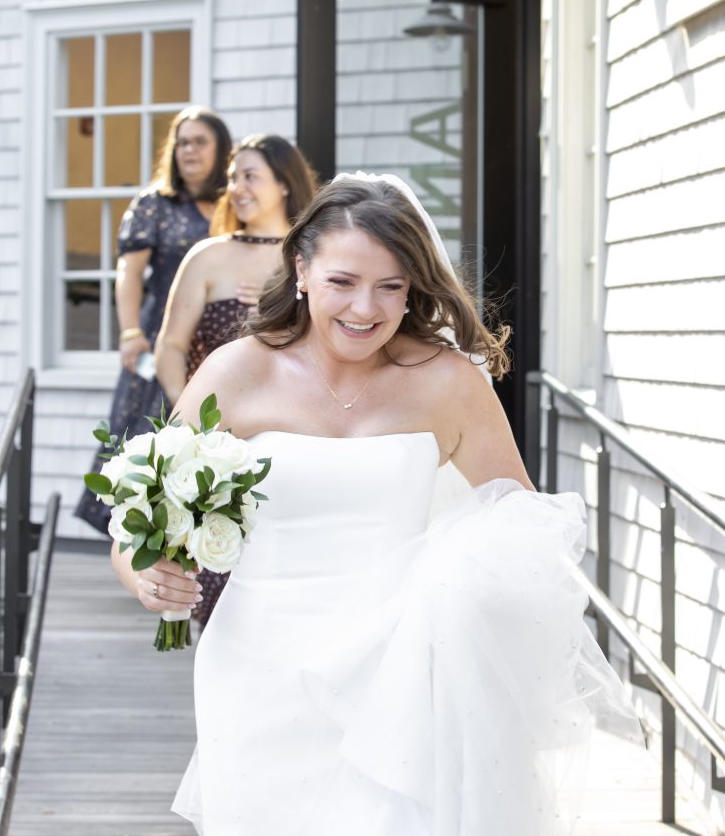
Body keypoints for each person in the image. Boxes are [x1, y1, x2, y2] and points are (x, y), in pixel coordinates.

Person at [111, 174, 641, 834]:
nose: (366, 307)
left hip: (400, 671)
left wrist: (457, 588)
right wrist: (144, 575)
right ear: (300, 269)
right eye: (343, 282)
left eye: (391, 286)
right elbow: (142, 518)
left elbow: (519, 521)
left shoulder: (447, 382)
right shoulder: (234, 371)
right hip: (256, 667)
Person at [153, 134, 317, 624]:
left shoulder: (313, 257)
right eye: (232, 178)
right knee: (220, 599)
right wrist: (193, 421)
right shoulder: (207, 256)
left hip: (296, 441)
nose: (236, 188)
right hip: (219, 451)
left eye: (250, 176)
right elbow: (171, 347)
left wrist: (285, 308)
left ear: (285, 184)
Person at [74, 106, 232, 534]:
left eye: (200, 142)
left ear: (221, 150)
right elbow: (129, 273)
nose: (189, 151)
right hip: (160, 339)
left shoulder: (233, 204)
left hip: (219, 341)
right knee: (146, 440)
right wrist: (129, 333)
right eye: (182, 142)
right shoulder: (154, 203)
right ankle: (137, 546)